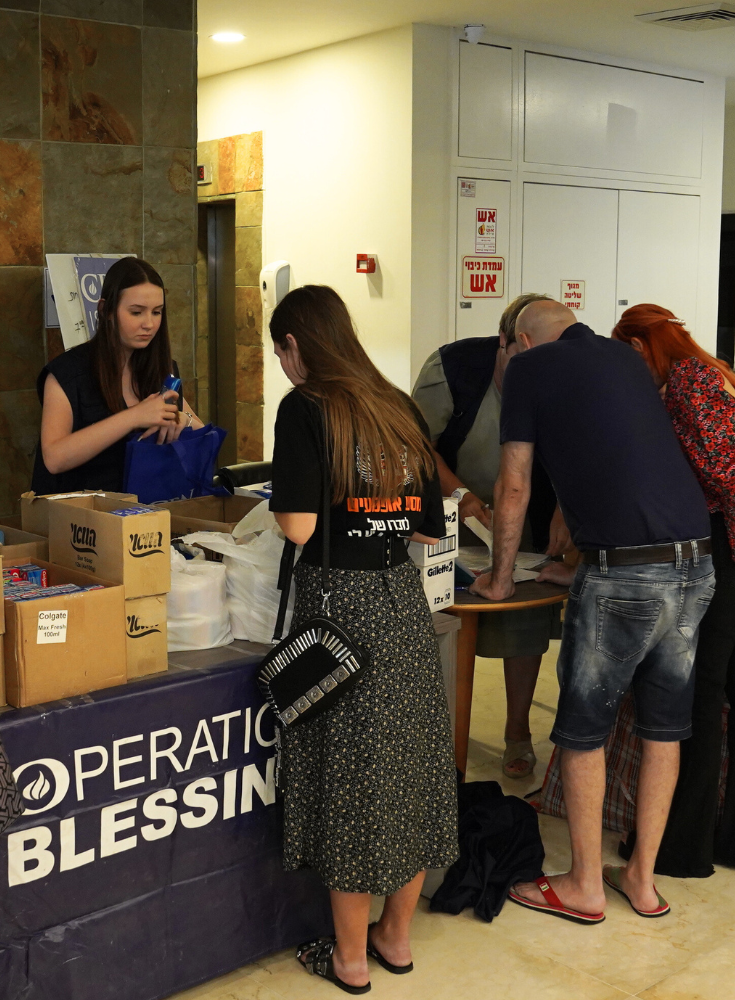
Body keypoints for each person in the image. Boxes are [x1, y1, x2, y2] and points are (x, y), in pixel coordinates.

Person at [472, 299, 715, 924]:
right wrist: (581, 560)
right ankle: (642, 879)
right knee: (663, 728)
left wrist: (501, 578)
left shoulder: (529, 368)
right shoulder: (626, 358)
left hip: (624, 574)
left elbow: (514, 484)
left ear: (522, 341)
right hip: (694, 562)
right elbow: (620, 457)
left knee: (584, 731)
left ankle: (584, 885)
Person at [267, 286, 455, 993]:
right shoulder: (397, 406)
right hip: (401, 601)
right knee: (409, 770)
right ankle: (395, 939)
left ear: (295, 345)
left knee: (349, 779)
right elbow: (429, 529)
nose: (283, 365)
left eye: (280, 352)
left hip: (338, 609)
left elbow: (297, 527)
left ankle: (348, 958)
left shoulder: (305, 408)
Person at [611, 305, 735, 879]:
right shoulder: (715, 375)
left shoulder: (689, 380)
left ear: (639, 346)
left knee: (699, 699)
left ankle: (680, 847)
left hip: (719, 547)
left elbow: (728, 476)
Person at [411, 291, 564, 780]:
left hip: (526, 518)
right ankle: (437, 736)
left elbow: (573, 448)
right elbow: (415, 444)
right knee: (445, 622)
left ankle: (517, 732)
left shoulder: (562, 372)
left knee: (524, 617)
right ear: (504, 341)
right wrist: (461, 496)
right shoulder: (452, 367)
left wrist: (564, 511)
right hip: (450, 514)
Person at [32, 257, 200, 494]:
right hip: (83, 510)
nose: (149, 324)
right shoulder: (68, 373)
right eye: (136, 312)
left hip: (149, 507)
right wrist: (134, 417)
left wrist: (184, 421)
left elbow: (200, 429)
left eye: (157, 312)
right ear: (106, 310)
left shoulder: (162, 369)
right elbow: (54, 458)